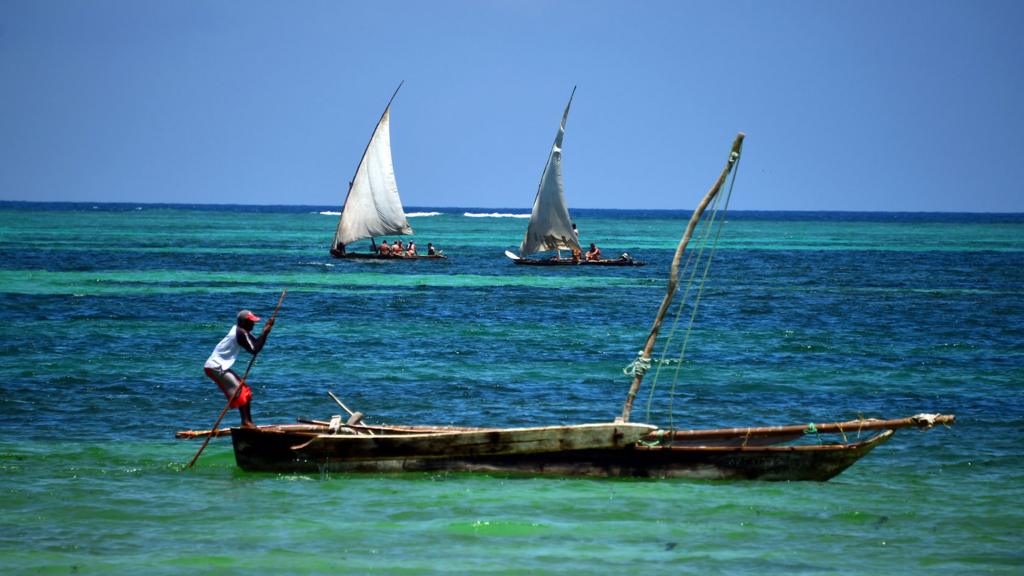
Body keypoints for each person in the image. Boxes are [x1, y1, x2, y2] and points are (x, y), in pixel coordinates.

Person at [203, 309, 275, 428]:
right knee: (239, 390)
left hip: (220, 366)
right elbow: (254, 350)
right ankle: (246, 422)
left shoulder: (243, 331)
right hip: (215, 366)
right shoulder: (240, 333)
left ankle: (247, 422)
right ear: (244, 322)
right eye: (251, 322)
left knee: (245, 390)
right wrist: (265, 333)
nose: (253, 324)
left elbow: (256, 344)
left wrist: (266, 329)